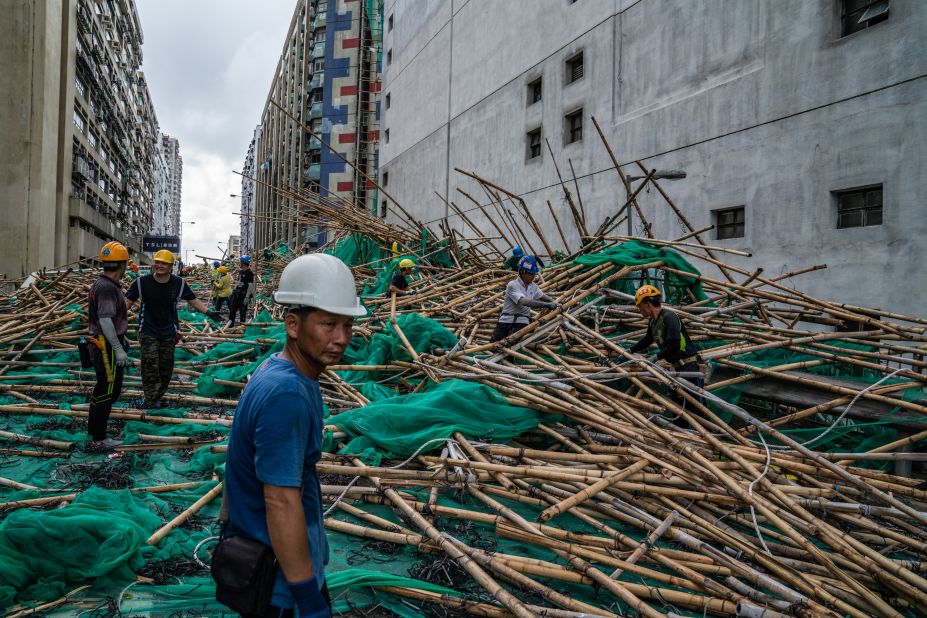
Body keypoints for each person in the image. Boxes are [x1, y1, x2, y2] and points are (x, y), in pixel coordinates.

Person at [224, 253, 365, 617]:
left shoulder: (275, 369)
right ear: (292, 324)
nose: (341, 338)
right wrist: (306, 596)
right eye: (328, 324)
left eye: (348, 325)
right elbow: (281, 502)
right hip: (278, 583)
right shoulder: (287, 394)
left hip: (267, 564)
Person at [125, 249, 214, 408]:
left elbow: (192, 300)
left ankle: (157, 395)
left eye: (164, 263)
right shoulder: (141, 283)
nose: (159, 265)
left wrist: (209, 312)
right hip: (148, 329)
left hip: (169, 331)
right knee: (149, 366)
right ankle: (151, 400)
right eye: (157, 262)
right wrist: (113, 319)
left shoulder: (178, 283)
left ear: (171, 266)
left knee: (166, 367)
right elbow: (127, 303)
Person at [86, 241, 131, 449]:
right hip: (106, 347)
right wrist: (119, 348)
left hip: (104, 342)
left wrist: (123, 337)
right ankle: (99, 438)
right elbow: (105, 320)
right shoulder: (106, 288)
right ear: (122, 265)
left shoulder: (102, 284)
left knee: (102, 388)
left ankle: (95, 428)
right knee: (108, 390)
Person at [629, 284, 704, 408]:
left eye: (640, 306)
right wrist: (630, 350)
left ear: (648, 304)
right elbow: (648, 339)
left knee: (696, 406)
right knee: (677, 406)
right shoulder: (653, 321)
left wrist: (655, 357)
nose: (639, 309)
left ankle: (704, 427)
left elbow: (674, 345)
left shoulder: (670, 317)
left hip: (689, 367)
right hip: (676, 368)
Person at [490, 255, 558, 342]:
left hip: (522, 322)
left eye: (534, 274)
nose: (533, 276)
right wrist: (546, 305)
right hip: (506, 321)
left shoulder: (533, 286)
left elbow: (542, 296)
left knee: (510, 344)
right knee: (494, 345)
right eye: (531, 274)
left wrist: (554, 301)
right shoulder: (512, 285)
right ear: (522, 272)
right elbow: (524, 301)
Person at [228, 255, 256, 327]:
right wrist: (235, 288)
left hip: (243, 296)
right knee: (232, 311)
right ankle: (230, 327)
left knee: (242, 313)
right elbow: (240, 282)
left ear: (243, 263)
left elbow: (251, 286)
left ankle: (241, 328)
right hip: (237, 294)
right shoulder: (240, 272)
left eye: (240, 262)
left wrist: (247, 297)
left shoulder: (249, 273)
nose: (239, 263)